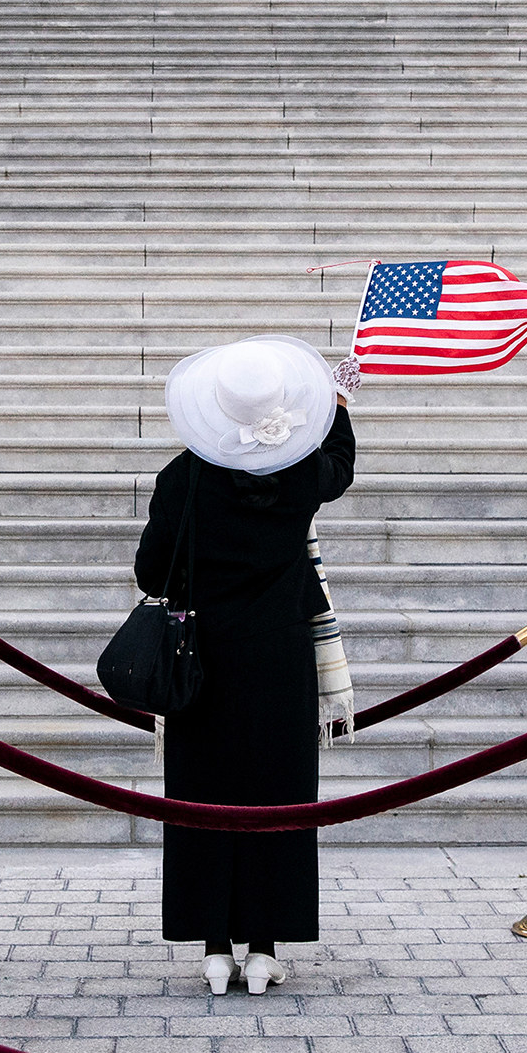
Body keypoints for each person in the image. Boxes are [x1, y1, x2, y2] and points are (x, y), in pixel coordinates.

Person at [136, 337, 355, 997]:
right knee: (279, 795)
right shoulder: (297, 478)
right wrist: (339, 405)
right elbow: (339, 467)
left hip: (201, 658)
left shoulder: (182, 478)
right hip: (281, 653)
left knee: (203, 794)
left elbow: (149, 571)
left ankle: (212, 946)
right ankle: (264, 946)